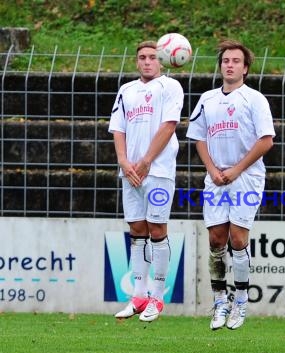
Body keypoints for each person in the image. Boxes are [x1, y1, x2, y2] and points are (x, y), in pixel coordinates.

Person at [186, 39, 275, 330]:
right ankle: (220, 300)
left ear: (245, 68)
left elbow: (266, 141)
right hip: (216, 177)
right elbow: (198, 136)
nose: (230, 65)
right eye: (226, 61)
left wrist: (236, 170)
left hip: (246, 177)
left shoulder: (255, 99)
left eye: (236, 61)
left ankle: (240, 302)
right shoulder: (207, 99)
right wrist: (211, 168)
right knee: (215, 240)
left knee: (238, 239)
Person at [109, 40, 184, 322]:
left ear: (162, 61)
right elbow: (118, 128)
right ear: (136, 61)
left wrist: (147, 160)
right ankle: (138, 296)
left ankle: (157, 297)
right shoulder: (126, 90)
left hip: (158, 170)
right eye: (142, 57)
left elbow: (169, 125)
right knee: (137, 229)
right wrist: (124, 162)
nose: (147, 61)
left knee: (157, 228)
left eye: (153, 57)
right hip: (130, 172)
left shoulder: (170, 87)